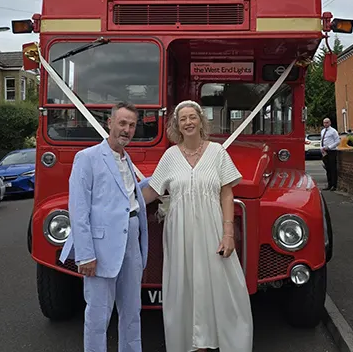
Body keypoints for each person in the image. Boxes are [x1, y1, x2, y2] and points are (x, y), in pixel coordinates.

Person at [140, 100, 253, 352]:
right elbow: (152, 191)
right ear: (177, 125)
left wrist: (228, 233)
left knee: (223, 285)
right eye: (183, 119)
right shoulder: (170, 156)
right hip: (179, 233)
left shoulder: (217, 152)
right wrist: (119, 205)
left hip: (213, 229)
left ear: (201, 121)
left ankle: (227, 342)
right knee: (185, 286)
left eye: (193, 117)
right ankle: (191, 344)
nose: (188, 122)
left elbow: (226, 193)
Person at [59, 102, 149, 352]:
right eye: (122, 123)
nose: (127, 129)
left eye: (132, 125)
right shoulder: (87, 158)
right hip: (99, 250)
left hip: (131, 246)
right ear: (109, 123)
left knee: (132, 312)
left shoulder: (126, 159)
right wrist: (86, 255)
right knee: (98, 316)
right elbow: (78, 209)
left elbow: (126, 197)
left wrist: (165, 181)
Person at [320, 118, 340, 191]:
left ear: (330, 123)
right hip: (325, 152)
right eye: (324, 122)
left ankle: (334, 186)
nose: (325, 124)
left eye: (327, 122)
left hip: (332, 151)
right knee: (327, 168)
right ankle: (329, 184)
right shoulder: (322, 131)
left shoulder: (333, 131)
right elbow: (322, 140)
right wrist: (321, 148)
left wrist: (329, 147)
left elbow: (337, 141)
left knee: (332, 169)